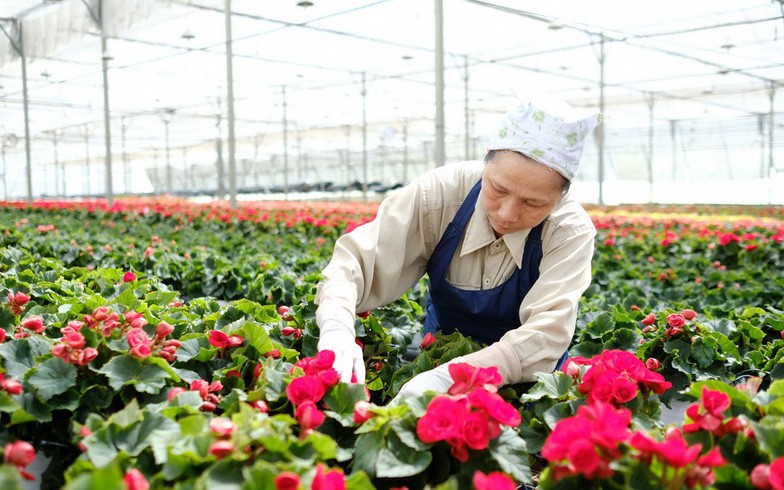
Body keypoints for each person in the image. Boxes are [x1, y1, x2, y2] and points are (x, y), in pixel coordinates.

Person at [315, 95, 602, 397]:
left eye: (533, 203)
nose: (507, 213)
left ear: (561, 196)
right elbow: (357, 263)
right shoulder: (439, 193)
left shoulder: (569, 231)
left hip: (527, 381)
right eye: (498, 189)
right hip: (439, 352)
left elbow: (548, 332)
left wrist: (449, 379)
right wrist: (337, 327)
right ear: (486, 158)